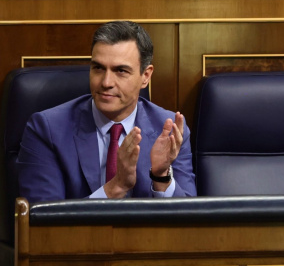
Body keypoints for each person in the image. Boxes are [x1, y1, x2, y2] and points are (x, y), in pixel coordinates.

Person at [17, 21, 196, 202]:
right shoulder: (47, 129)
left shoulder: (169, 131)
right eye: (98, 68)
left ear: (145, 76)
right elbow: (43, 216)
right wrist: (116, 187)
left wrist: (161, 176)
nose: (106, 82)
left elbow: (190, 216)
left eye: (121, 71)